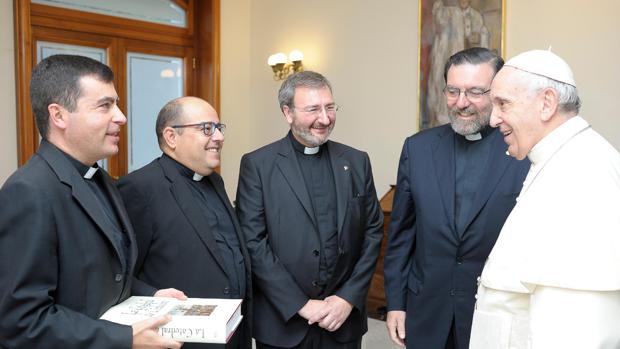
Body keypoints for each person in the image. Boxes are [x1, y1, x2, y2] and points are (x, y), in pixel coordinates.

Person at [0, 54, 185, 349]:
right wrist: (124, 338)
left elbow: (99, 275)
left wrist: (151, 295)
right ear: (58, 115)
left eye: (117, 103)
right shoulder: (29, 191)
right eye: (105, 106)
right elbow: (22, 322)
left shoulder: (102, 179)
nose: (121, 116)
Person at [470, 49, 620, 348]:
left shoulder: (584, 171)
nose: (493, 118)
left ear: (547, 103)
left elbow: (578, 331)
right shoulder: (555, 159)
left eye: (503, 103)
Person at [384, 47, 530, 349]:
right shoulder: (418, 148)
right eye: (453, 91)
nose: (461, 103)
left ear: (497, 93)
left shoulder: (524, 152)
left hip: (494, 316)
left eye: (475, 92)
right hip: (426, 309)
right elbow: (401, 236)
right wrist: (396, 303)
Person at [235, 71, 383, 349]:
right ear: (287, 112)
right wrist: (299, 304)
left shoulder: (356, 161)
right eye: (313, 109)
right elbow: (253, 242)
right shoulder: (258, 165)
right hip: (284, 321)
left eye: (330, 107)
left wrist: (348, 297)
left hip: (343, 320)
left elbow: (372, 232)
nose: (324, 119)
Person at [117, 96, 253, 349]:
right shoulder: (140, 188)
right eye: (206, 129)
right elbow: (119, 272)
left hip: (234, 333)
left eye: (219, 127)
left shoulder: (214, 181)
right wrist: (152, 295)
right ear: (171, 137)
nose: (219, 137)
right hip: (182, 341)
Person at [426, 0, 490, 127]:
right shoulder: (447, 12)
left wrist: (477, 38)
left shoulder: (476, 16)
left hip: (472, 67)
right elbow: (439, 23)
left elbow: (483, 37)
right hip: (448, 61)